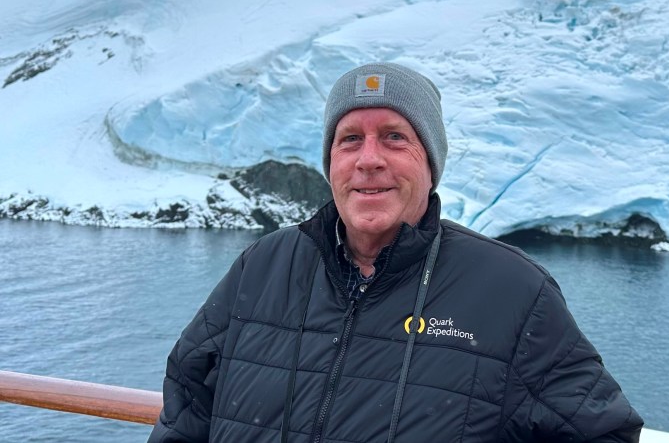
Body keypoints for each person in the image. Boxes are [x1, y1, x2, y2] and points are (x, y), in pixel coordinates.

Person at [149, 62, 643, 443]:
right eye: (350, 140)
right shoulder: (262, 267)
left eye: (394, 137)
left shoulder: (512, 291)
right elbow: (186, 409)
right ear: (330, 163)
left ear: (430, 164)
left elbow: (604, 433)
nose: (369, 160)